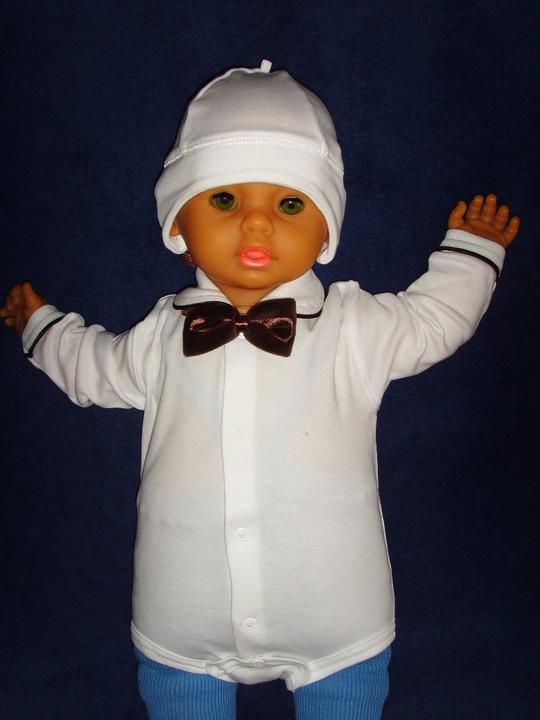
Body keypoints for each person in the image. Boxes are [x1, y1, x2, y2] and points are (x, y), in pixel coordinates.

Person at [1, 61, 519, 720]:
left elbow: (434, 319)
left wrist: (471, 255)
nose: (255, 225)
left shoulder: (355, 328)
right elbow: (92, 368)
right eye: (224, 200)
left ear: (326, 231)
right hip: (182, 623)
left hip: (338, 624)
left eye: (289, 204)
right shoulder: (160, 336)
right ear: (178, 227)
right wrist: (43, 327)